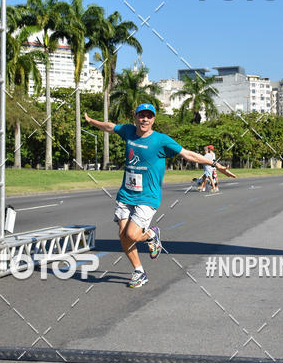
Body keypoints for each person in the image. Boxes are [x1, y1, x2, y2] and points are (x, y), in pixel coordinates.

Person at [84, 105, 234, 288]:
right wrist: (92, 122)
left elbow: (188, 154)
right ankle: (139, 272)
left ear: (153, 119)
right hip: (126, 193)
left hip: (148, 196)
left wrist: (215, 164)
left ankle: (151, 235)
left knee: (132, 234)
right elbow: (110, 126)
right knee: (123, 235)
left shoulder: (161, 140)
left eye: (149, 116)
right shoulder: (128, 131)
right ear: (136, 117)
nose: (144, 119)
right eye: (141, 115)